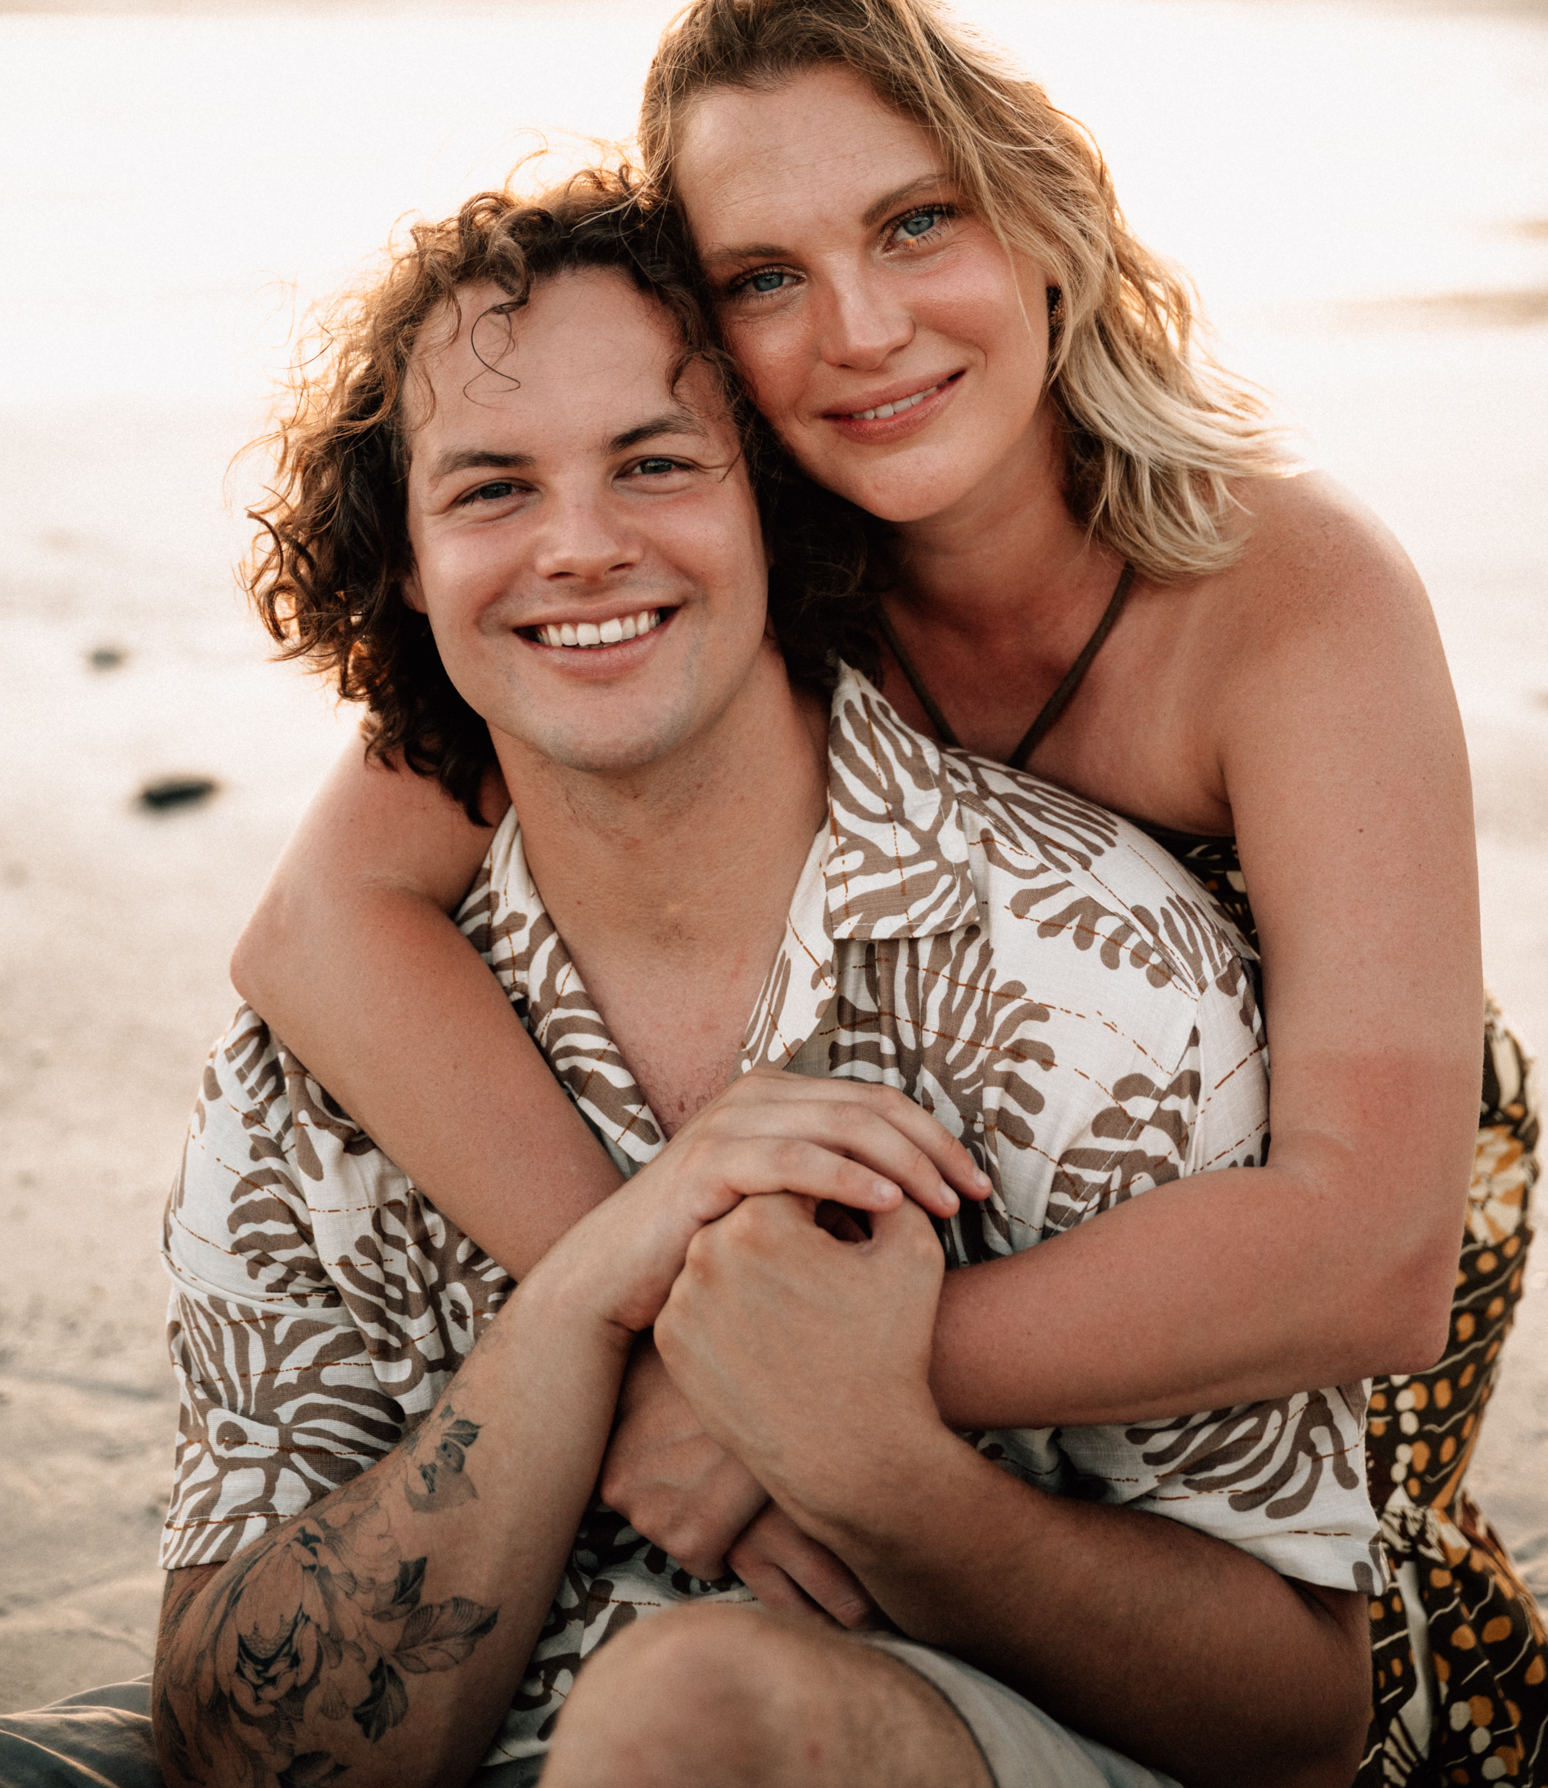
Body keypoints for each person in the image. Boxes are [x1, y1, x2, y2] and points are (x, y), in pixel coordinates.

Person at [227, 0, 1548, 1779]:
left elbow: (1369, 1246)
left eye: (915, 220)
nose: (859, 328)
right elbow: (325, 920)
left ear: (1046, 223)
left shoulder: (1283, 590)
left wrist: (821, 1393)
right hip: (920, 1288)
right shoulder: (729, 580)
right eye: (762, 276)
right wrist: (657, 1323)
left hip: (1314, 1279)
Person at [141, 176, 1380, 1788]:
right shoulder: (319, 1055)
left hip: (936, 1741)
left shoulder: (1096, 978)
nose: (580, 548)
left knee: (691, 1714)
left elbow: (1295, 1717)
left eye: (654, 464)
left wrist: (866, 1463)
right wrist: (595, 1301)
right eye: (492, 490)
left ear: (777, 512)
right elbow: (227, 1740)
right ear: (409, 567)